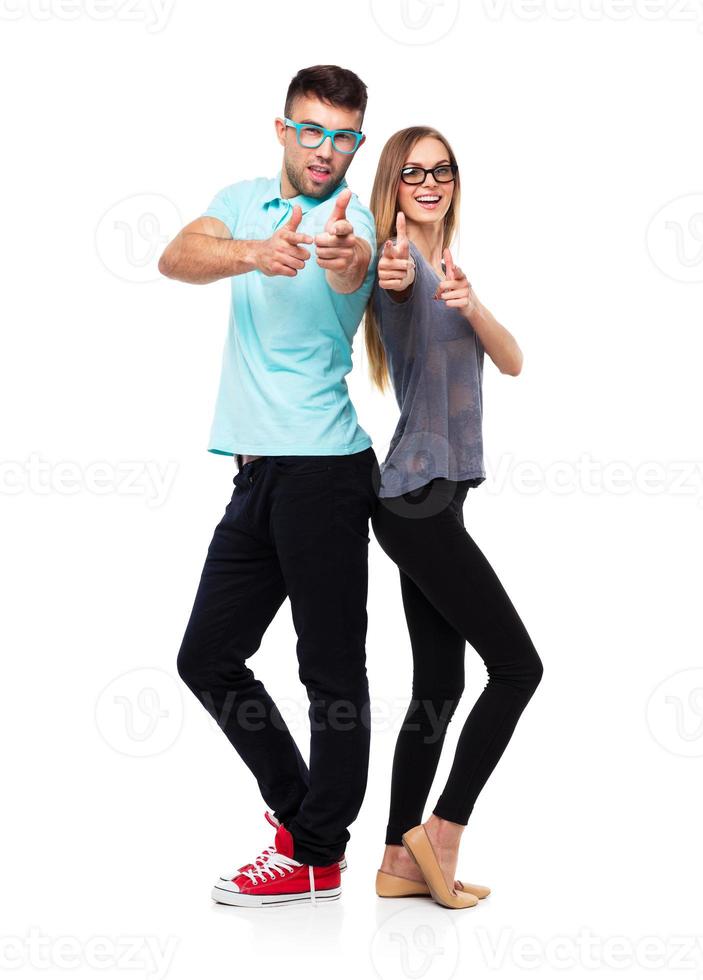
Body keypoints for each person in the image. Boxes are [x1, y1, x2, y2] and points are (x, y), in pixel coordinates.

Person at [158, 65, 378, 908]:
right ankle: (301, 821)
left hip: (324, 472)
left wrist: (344, 255)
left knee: (330, 672)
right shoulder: (244, 199)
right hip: (255, 474)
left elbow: (358, 269)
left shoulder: (356, 221)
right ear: (282, 129)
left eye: (344, 136)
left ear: (358, 141)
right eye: (312, 130)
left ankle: (318, 852)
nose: (327, 151)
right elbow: (175, 256)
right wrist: (254, 252)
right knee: (207, 656)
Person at [364, 126, 544, 910]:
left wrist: (470, 302)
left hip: (430, 500)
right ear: (394, 186)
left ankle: (395, 863)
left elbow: (512, 360)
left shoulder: (450, 271)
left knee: (438, 684)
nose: (430, 182)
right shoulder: (396, 263)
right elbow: (391, 284)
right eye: (414, 172)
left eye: (441, 170)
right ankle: (439, 835)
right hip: (415, 500)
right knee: (517, 668)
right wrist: (400, 270)